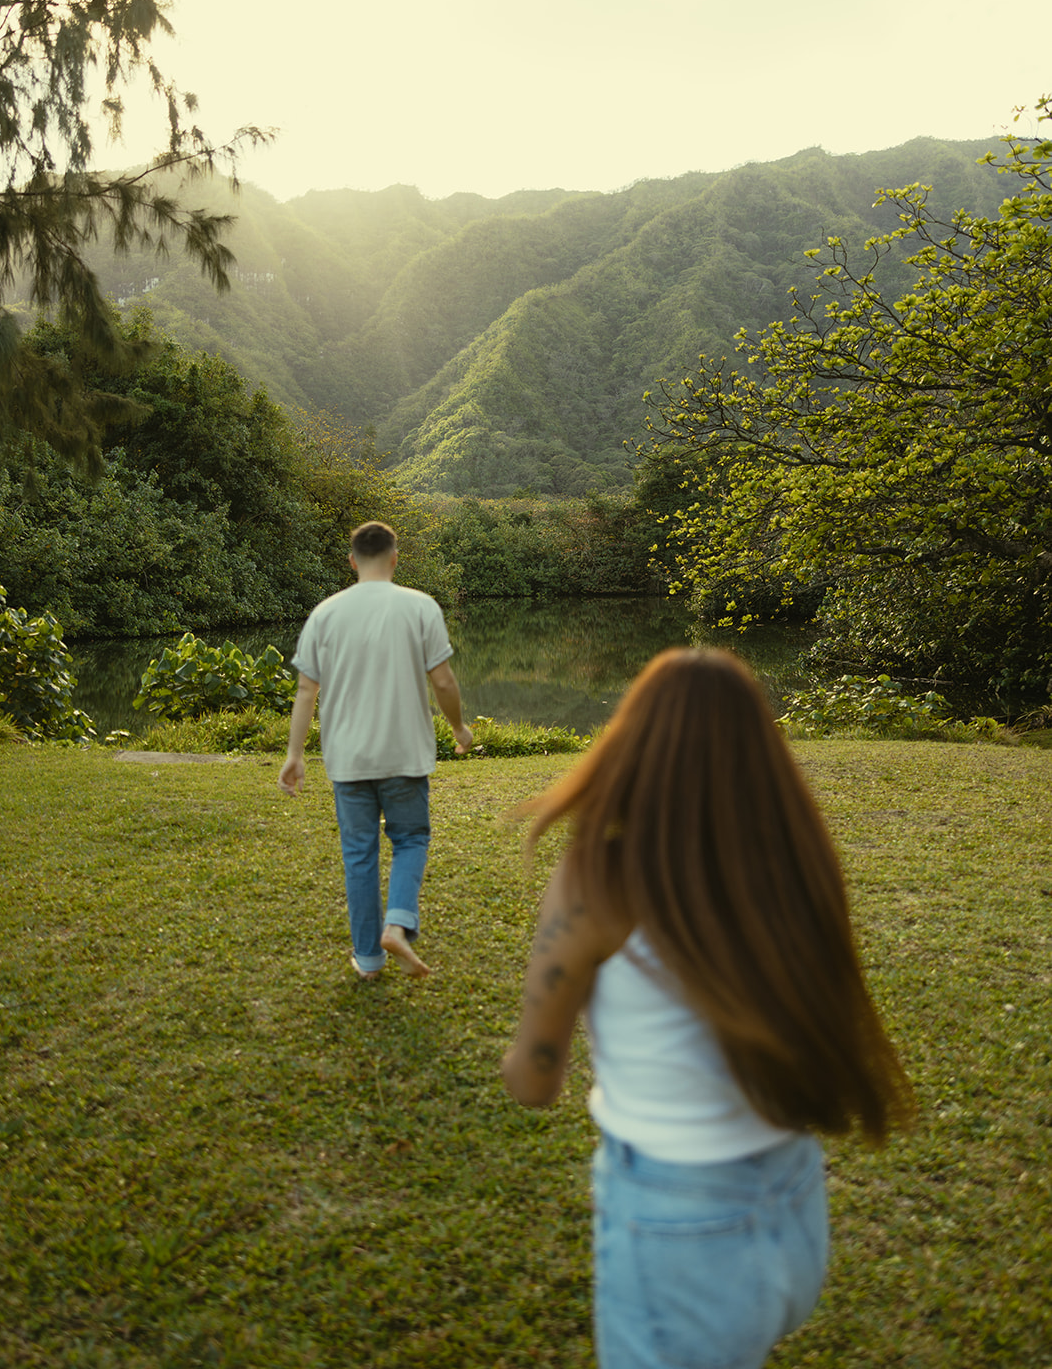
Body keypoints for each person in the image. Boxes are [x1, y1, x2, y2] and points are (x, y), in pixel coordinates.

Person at [502, 647, 913, 1369]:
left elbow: (532, 1081)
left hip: (677, 1221)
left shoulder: (599, 877)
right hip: (791, 1199)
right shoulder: (794, 866)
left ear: (632, 744)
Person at [278, 520, 473, 980]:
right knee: (411, 839)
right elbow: (443, 680)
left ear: (351, 561)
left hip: (348, 759)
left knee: (359, 854)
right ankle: (399, 921)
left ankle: (368, 960)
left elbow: (306, 690)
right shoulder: (420, 606)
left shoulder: (325, 613)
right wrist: (460, 728)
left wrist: (295, 754)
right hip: (404, 754)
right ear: (395, 557)